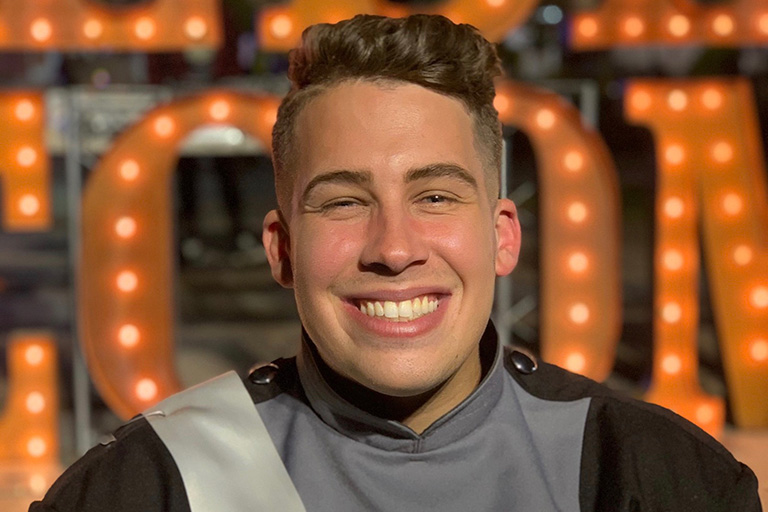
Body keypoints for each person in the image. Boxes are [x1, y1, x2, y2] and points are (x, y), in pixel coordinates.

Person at [31, 14, 760, 512]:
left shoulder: (651, 475)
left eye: (436, 196)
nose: (395, 248)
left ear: (503, 237)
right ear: (282, 250)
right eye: (344, 202)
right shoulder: (152, 484)